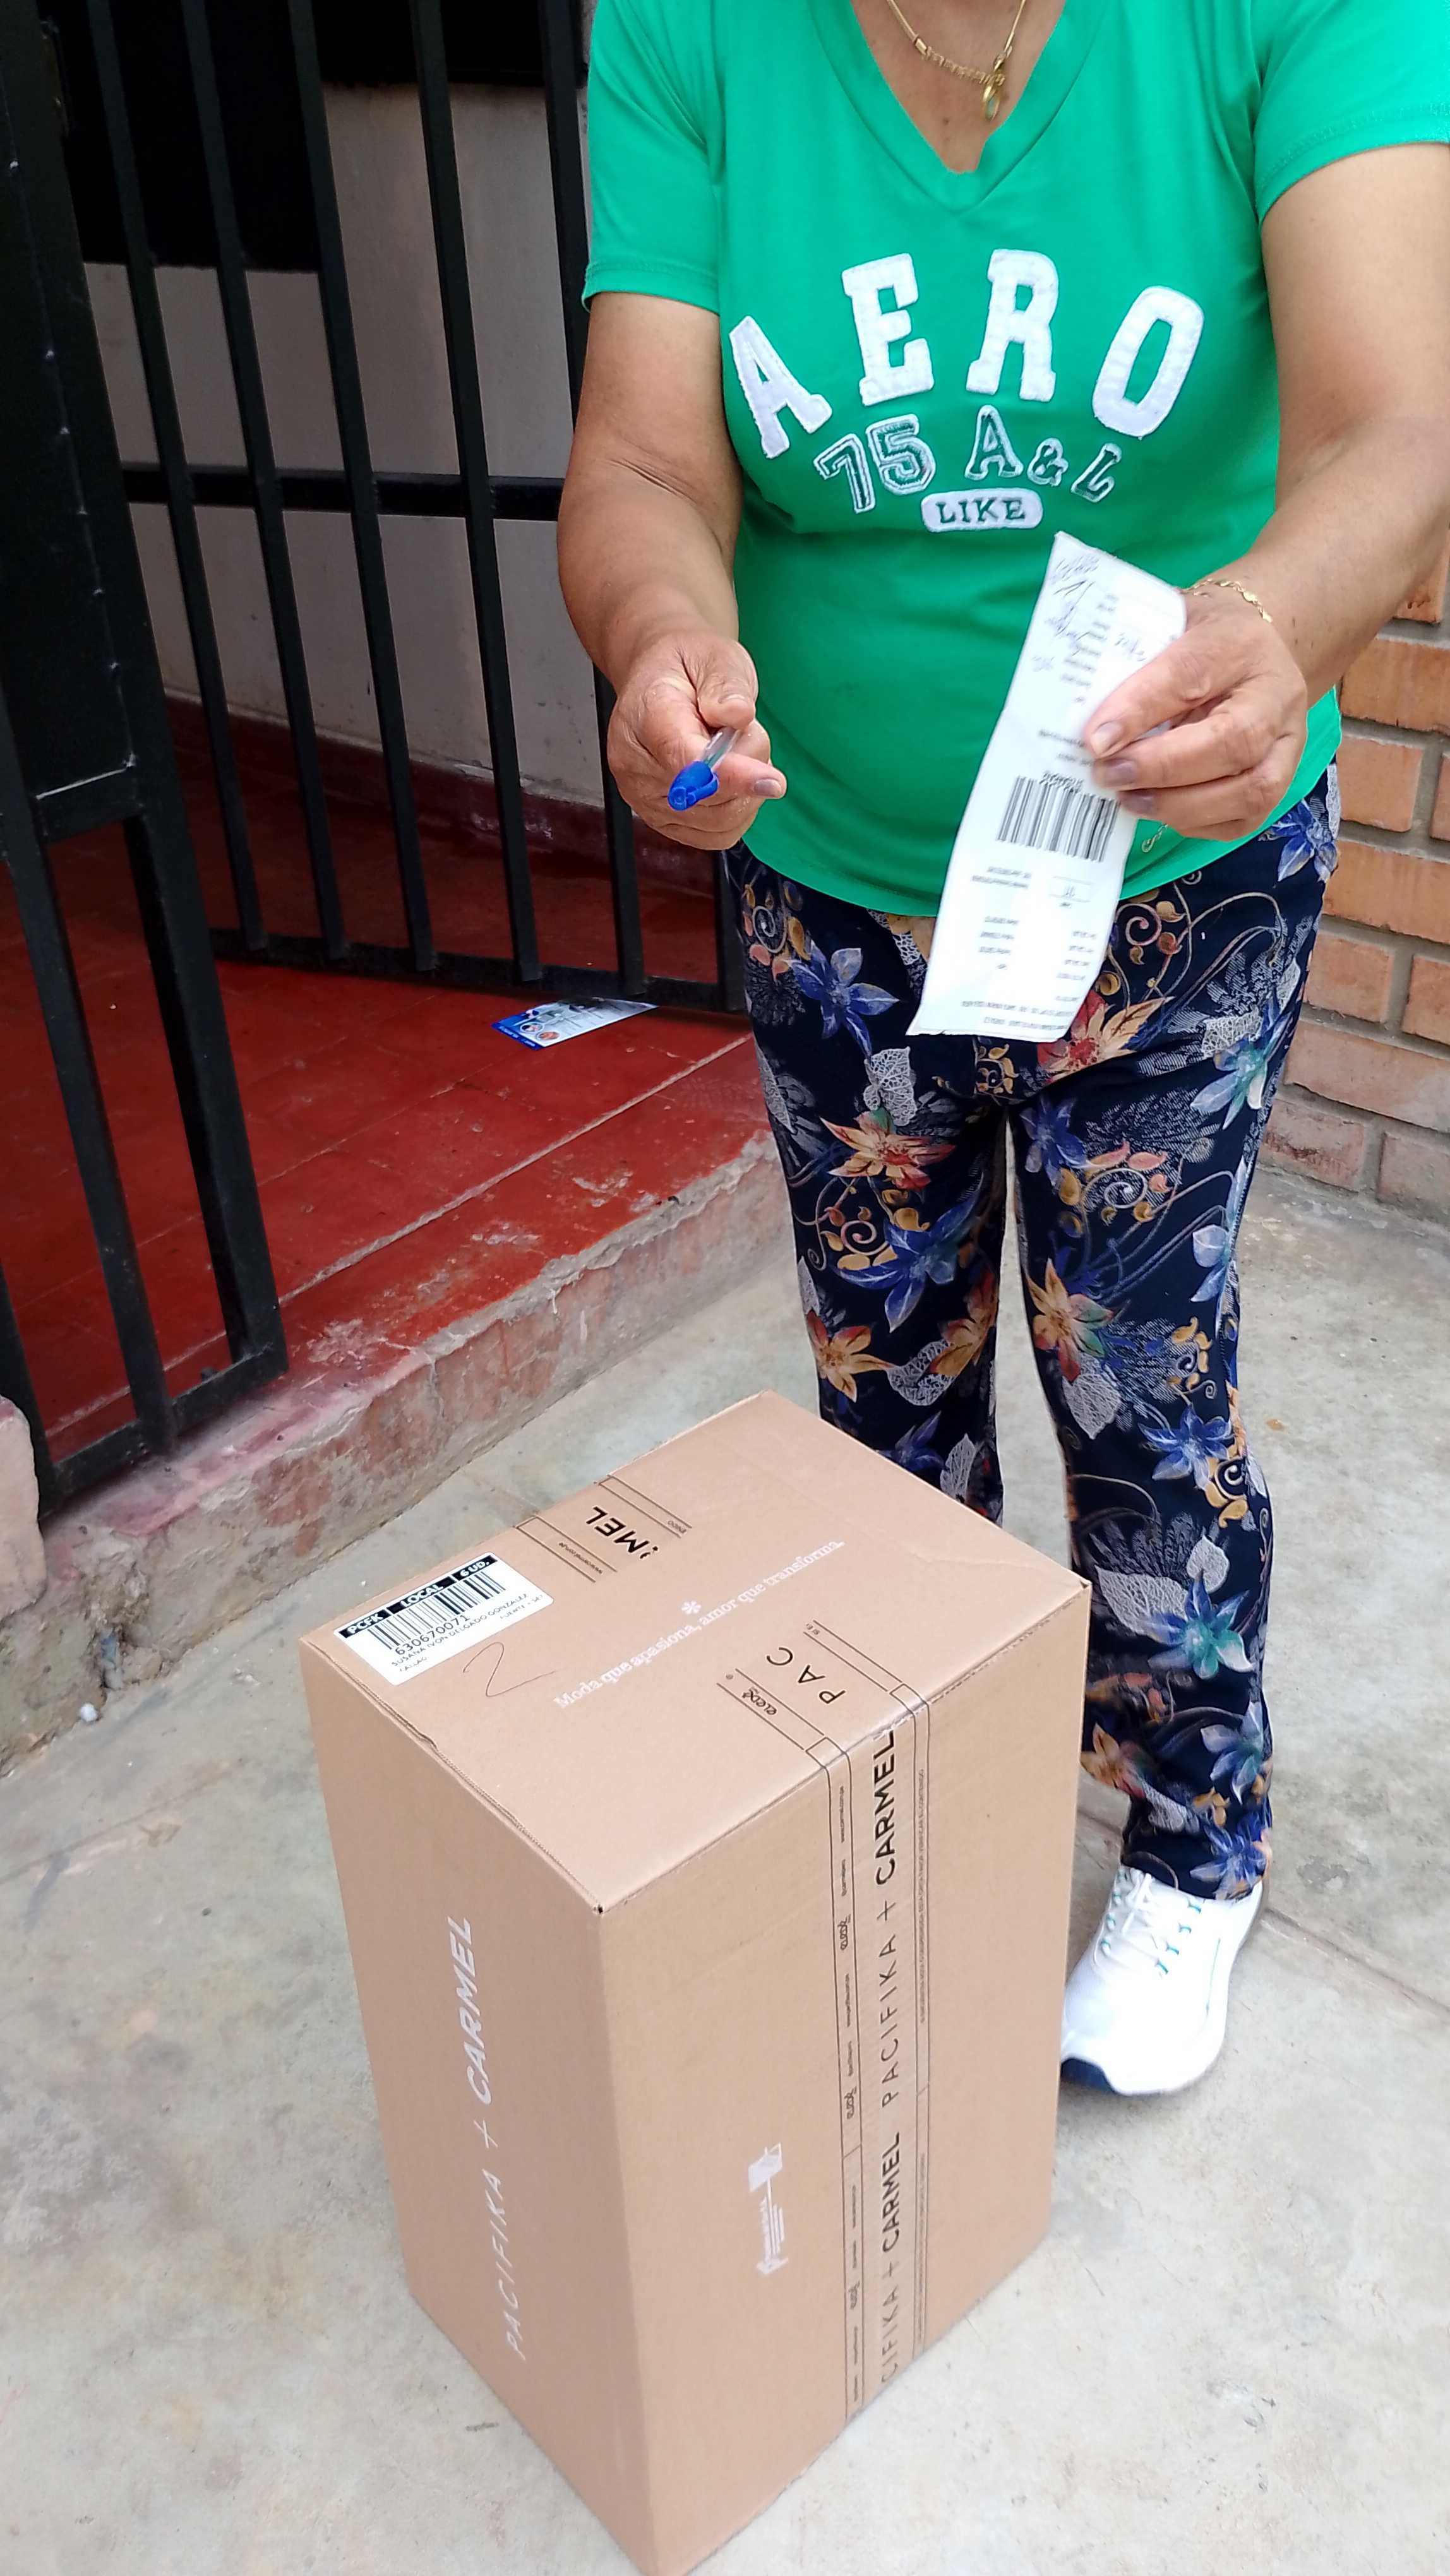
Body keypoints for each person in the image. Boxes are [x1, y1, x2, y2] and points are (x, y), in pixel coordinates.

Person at [558, 0, 1450, 2094]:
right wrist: (661, 630)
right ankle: (921, 1790)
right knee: (879, 1372)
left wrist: (1277, 625)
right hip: (834, 876)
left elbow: (1395, 426)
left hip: (1169, 875)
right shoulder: (691, 31)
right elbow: (647, 461)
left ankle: (1196, 1837)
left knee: (1136, 1368)